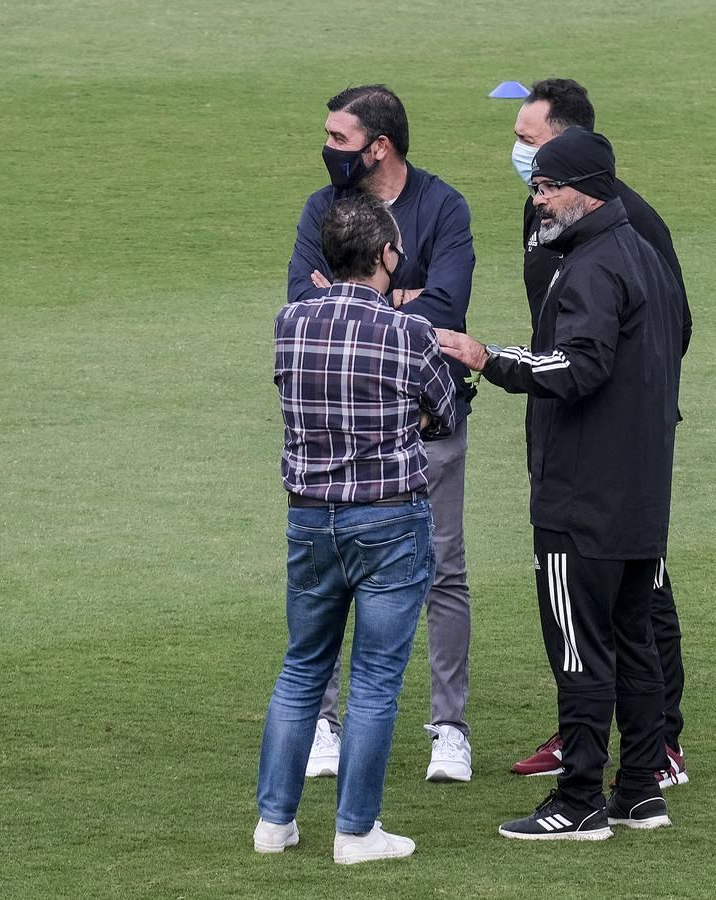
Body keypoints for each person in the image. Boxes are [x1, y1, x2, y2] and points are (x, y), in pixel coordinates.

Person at [437, 127, 685, 841]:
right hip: (641, 494)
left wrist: (488, 357)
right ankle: (639, 791)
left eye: (546, 186)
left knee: (579, 649)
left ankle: (577, 801)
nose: (537, 199)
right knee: (634, 644)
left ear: (587, 188)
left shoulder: (587, 267)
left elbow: (577, 368)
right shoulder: (643, 256)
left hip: (581, 498)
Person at [255, 193, 456, 864]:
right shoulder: (409, 332)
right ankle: (356, 831)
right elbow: (444, 409)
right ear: (384, 257)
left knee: (301, 667)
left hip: (310, 517)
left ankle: (274, 822)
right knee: (374, 677)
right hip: (388, 518)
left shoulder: (291, 322)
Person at [287, 84, 477, 783]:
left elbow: (449, 304)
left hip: (427, 419)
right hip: (342, 419)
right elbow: (300, 299)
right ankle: (321, 723)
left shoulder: (442, 206)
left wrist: (357, 299)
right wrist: (402, 301)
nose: (326, 149)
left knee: (443, 570)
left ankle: (448, 728)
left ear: (379, 146)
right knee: (332, 573)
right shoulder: (321, 206)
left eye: (337, 138)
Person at [507, 78, 692, 788]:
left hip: (612, 439)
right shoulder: (546, 212)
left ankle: (657, 746)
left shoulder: (630, 223)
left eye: (529, 144)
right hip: (560, 419)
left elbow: (670, 325)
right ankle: (588, 730)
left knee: (639, 588)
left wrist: (629, 411)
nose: (520, 163)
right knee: (593, 592)